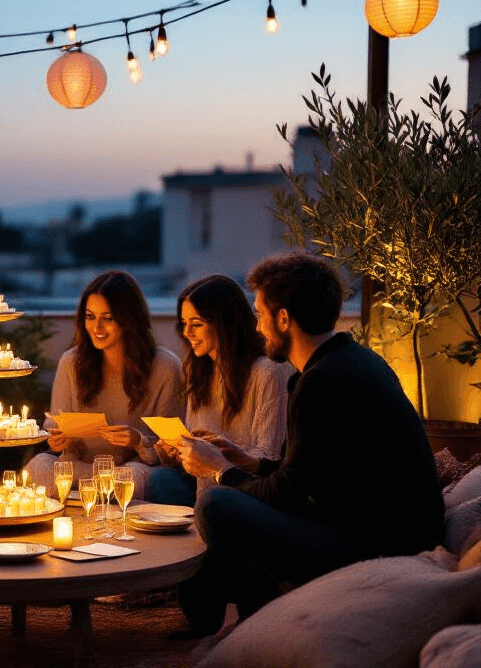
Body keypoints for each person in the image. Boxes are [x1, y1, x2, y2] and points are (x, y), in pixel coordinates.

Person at [175, 253, 444, 634]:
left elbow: (290, 493)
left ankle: (268, 627)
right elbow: (309, 475)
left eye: (260, 314)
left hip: (376, 544)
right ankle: (230, 617)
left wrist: (220, 470)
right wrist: (247, 464)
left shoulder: (322, 382)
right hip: (374, 525)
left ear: (283, 318)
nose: (257, 326)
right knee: (225, 500)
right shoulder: (352, 360)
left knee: (217, 505)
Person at [25, 270, 184, 497]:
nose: (97, 328)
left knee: (131, 478)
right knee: (38, 467)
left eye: (108, 318)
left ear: (129, 320)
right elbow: (55, 433)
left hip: (128, 470)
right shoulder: (71, 362)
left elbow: (171, 449)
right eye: (90, 317)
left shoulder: (165, 366)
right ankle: (92, 496)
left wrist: (138, 441)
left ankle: (86, 497)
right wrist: (59, 440)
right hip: (79, 469)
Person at [146, 274, 290, 506]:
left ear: (223, 323)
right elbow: (195, 443)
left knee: (212, 498)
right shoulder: (199, 371)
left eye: (197, 324)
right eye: (184, 324)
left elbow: (268, 457)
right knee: (161, 478)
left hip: (246, 486)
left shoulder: (268, 371)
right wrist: (179, 452)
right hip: (204, 483)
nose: (187, 333)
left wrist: (212, 453)